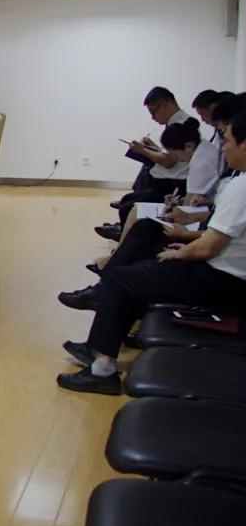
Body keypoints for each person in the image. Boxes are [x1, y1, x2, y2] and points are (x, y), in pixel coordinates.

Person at [56, 110, 246, 395]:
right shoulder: (240, 183)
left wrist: (180, 253)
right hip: (226, 273)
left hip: (222, 280)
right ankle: (102, 337)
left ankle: (102, 370)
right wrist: (187, 245)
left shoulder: (242, 186)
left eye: (227, 140)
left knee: (121, 279)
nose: (223, 146)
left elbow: (209, 247)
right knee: (136, 264)